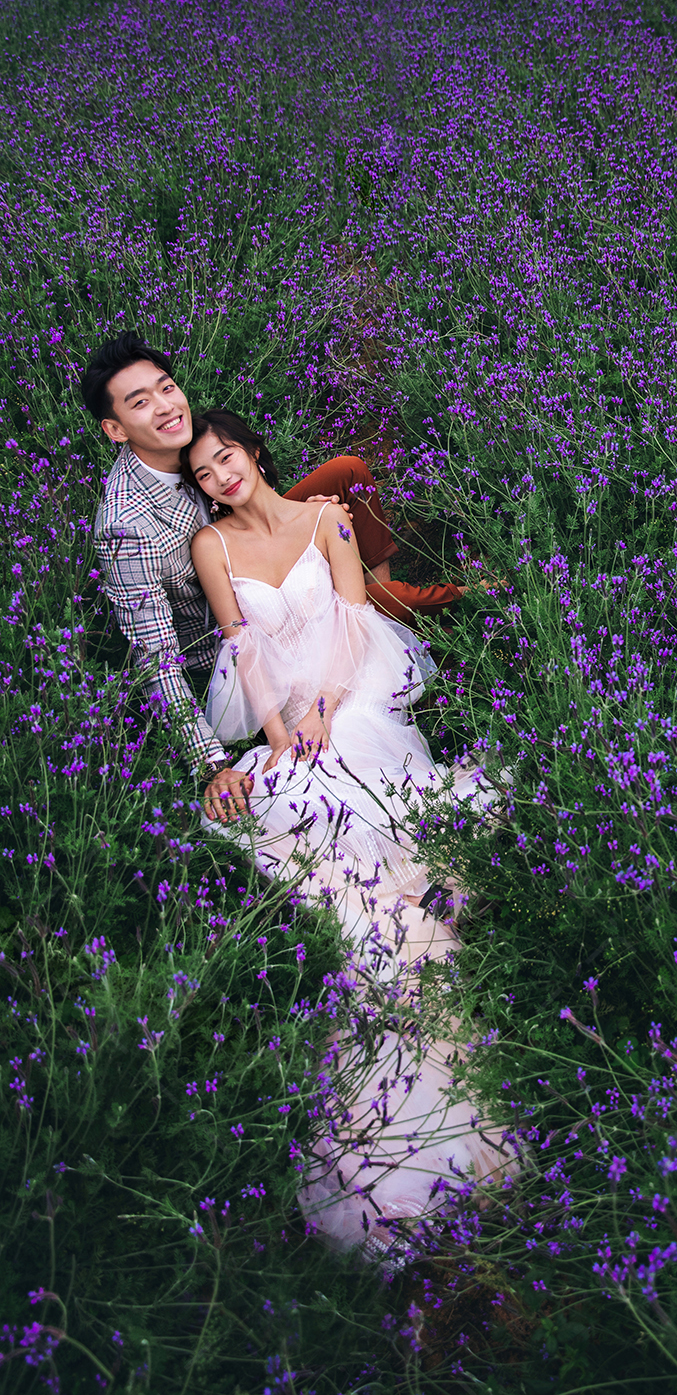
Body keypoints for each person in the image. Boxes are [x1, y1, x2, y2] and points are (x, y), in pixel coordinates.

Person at [182, 408, 512, 1254]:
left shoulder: (325, 518)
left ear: (255, 451)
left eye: (228, 457)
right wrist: (280, 734)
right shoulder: (211, 546)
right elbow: (242, 646)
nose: (221, 477)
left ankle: (425, 995)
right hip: (286, 711)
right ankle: (369, 1007)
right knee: (291, 806)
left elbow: (357, 619)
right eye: (205, 474)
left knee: (366, 796)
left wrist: (326, 709)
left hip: (352, 692)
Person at [80, 330, 465, 809]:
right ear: (116, 429)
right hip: (245, 612)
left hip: (250, 537)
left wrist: (306, 524)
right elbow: (156, 655)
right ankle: (457, 598)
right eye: (140, 403)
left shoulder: (183, 440)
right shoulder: (126, 529)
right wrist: (212, 764)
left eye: (166, 387)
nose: (165, 407)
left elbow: (239, 487)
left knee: (345, 474)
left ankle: (364, 590)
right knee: (378, 604)